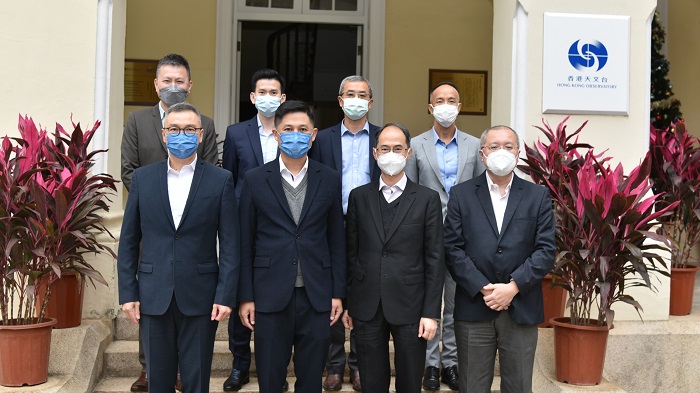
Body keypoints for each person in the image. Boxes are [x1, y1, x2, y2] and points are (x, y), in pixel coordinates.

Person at [118, 102, 239, 393]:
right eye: (174, 129)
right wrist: (128, 293)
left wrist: (225, 295)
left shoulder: (220, 180)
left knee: (196, 380)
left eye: (189, 129)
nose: (181, 135)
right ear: (163, 134)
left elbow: (232, 244)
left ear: (200, 135)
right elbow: (129, 240)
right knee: (158, 380)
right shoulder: (142, 179)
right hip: (153, 293)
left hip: (201, 296)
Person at [238, 100, 346, 393]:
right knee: (271, 379)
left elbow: (336, 239)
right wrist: (246, 296)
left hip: (316, 294)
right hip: (269, 293)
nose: (295, 135)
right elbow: (244, 241)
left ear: (313, 135)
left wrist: (338, 293)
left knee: (311, 379)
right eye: (288, 129)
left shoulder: (330, 179)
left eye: (302, 129)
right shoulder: (255, 179)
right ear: (276, 134)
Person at [443, 125, 556, 393]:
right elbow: (452, 249)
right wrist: (485, 287)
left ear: (518, 153)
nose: (501, 152)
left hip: (521, 306)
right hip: (474, 307)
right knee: (472, 386)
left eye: (508, 146)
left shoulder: (537, 196)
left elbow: (545, 250)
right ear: (482, 155)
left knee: (518, 386)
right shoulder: (461, 194)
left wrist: (513, 287)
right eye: (494, 147)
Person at [343, 123, 445, 393]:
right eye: (385, 148)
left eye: (397, 148)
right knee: (371, 381)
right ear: (375, 153)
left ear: (408, 153)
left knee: (410, 381)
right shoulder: (359, 197)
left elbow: (435, 259)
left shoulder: (427, 199)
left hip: (412, 305)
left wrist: (431, 313)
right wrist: (349, 303)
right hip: (367, 305)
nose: (391, 154)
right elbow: (351, 253)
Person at [404, 81, 486, 391]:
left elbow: (480, 193)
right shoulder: (416, 144)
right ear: (430, 107)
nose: (446, 105)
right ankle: (430, 365)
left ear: (460, 106)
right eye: (440, 100)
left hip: (462, 239)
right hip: (426, 236)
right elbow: (410, 194)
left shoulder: (475, 145)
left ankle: (450, 363)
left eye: (452, 99)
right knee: (427, 304)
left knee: (454, 305)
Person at [308, 75, 380, 391]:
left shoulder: (382, 139)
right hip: (331, 224)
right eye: (349, 94)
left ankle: (359, 365)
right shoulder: (321, 140)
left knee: (363, 297)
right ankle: (334, 365)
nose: (355, 99)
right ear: (340, 100)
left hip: (371, 225)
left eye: (362, 94)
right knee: (332, 293)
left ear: (371, 102)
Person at [221, 68, 290, 392]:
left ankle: (274, 366)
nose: (267, 98)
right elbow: (229, 180)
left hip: (280, 226)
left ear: (282, 98)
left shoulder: (291, 132)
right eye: (262, 92)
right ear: (252, 97)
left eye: (273, 92)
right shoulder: (236, 133)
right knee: (241, 293)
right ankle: (239, 364)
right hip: (242, 223)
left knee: (277, 295)